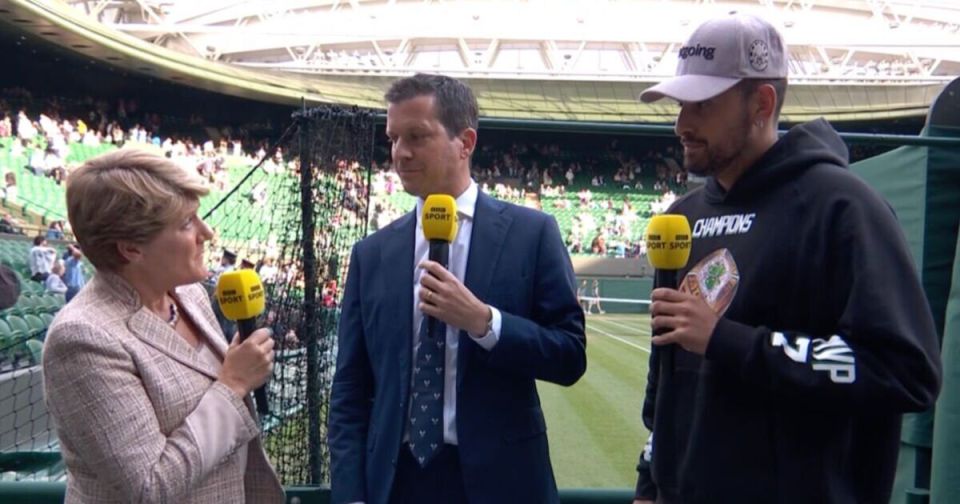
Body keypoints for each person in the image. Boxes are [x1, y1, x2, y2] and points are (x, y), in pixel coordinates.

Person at [632, 14, 941, 504]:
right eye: (680, 104)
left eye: (703, 105)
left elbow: (904, 371)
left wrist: (729, 341)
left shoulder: (844, 209)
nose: (682, 124)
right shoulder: (683, 217)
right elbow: (667, 377)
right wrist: (650, 482)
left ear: (762, 103)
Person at [329, 73, 587, 504]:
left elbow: (569, 356)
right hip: (396, 484)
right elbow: (351, 389)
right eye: (393, 138)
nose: (400, 153)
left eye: (417, 136)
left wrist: (485, 323)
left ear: (465, 142)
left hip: (500, 484)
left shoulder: (531, 234)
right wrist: (351, 494)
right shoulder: (372, 254)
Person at [42, 149, 283, 503]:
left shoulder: (189, 294)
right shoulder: (82, 338)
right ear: (130, 249)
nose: (208, 233)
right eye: (187, 223)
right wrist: (233, 385)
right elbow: (148, 487)